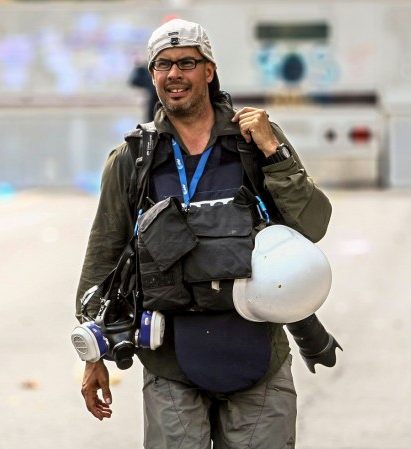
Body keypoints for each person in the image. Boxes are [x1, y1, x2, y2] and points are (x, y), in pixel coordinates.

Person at [75, 19, 335, 449]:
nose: (174, 74)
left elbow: (312, 225)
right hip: (169, 363)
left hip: (258, 354)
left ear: (209, 70)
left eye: (186, 63)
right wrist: (92, 354)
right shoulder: (133, 159)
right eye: (163, 65)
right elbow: (103, 257)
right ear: (153, 74)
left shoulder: (256, 142)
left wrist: (275, 152)